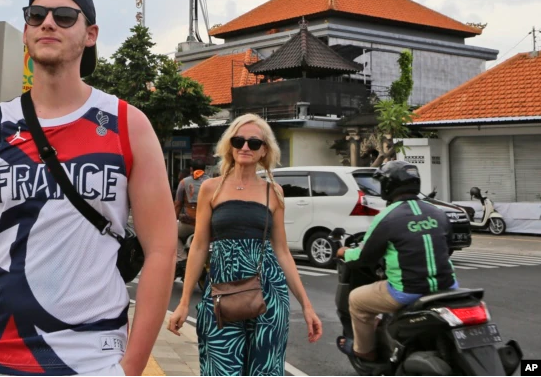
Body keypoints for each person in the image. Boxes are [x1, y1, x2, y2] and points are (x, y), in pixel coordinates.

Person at [0, 0, 177, 376]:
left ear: (90, 34)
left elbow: (162, 251)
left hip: (93, 355)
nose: (48, 23)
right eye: (36, 15)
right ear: (26, 32)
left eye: (64, 16)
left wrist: (132, 367)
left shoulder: (127, 125)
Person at [167, 114, 323, 375]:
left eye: (254, 142)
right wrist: (183, 302)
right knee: (221, 368)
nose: (245, 147)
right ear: (230, 145)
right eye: (239, 140)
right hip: (221, 292)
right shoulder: (211, 189)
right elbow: (200, 245)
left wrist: (307, 306)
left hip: (269, 294)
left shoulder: (274, 192)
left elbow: (282, 252)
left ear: (264, 150)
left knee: (264, 371)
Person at [335, 160, 457, 362]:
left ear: (388, 187)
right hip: (448, 286)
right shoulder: (438, 212)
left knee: (356, 300)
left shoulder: (387, 217)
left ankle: (365, 352)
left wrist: (343, 252)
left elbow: (364, 257)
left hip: (407, 291)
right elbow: (447, 246)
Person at [174, 167, 206, 239]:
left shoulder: (183, 182)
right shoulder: (212, 181)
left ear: (191, 169)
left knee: (171, 235)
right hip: (207, 224)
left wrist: (173, 221)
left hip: (191, 224)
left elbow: (178, 205)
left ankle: (182, 250)